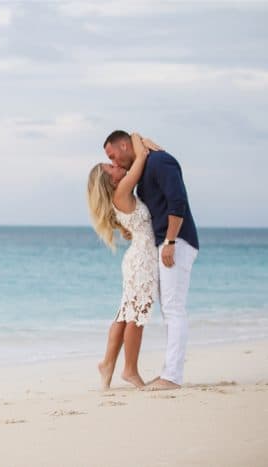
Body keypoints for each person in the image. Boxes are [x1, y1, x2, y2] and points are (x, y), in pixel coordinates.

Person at [103, 130, 199, 391]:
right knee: (167, 310)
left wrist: (169, 241)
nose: (114, 161)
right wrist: (140, 141)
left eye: (113, 156)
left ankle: (172, 376)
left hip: (175, 242)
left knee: (173, 309)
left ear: (124, 145)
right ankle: (168, 373)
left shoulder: (159, 162)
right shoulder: (143, 167)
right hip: (161, 246)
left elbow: (177, 202)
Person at [87, 133, 159, 389]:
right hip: (141, 259)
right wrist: (137, 136)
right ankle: (129, 370)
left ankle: (108, 364)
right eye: (111, 167)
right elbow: (140, 157)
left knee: (126, 313)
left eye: (113, 162)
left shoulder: (120, 195)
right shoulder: (122, 191)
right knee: (136, 317)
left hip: (138, 258)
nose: (116, 166)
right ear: (109, 180)